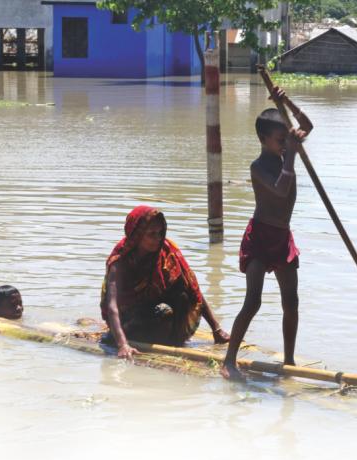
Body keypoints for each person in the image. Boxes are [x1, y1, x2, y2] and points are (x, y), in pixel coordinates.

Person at [221, 87, 313, 381]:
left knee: (292, 301)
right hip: (260, 238)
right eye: (280, 140)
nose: (285, 144)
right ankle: (229, 360)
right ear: (263, 140)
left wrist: (286, 102)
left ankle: (288, 361)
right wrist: (293, 155)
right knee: (254, 301)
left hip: (282, 237)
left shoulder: (285, 151)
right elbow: (281, 189)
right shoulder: (258, 167)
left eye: (287, 138)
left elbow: (308, 126)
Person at [100, 205, 230, 360]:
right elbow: (112, 306)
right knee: (163, 313)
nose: (158, 238)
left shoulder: (167, 251)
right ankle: (118, 337)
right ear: (137, 235)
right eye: (152, 234)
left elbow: (193, 290)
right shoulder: (120, 261)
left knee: (182, 294)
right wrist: (122, 345)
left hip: (154, 309)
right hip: (129, 317)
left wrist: (216, 329)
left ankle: (174, 342)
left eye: (160, 233)